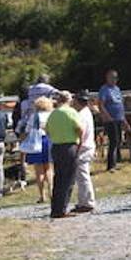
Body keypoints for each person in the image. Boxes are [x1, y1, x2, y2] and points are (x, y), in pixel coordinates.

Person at [45, 91, 83, 219]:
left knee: (58, 178)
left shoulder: (53, 113)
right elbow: (79, 128)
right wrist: (79, 141)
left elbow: (47, 130)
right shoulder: (71, 112)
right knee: (68, 179)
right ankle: (62, 209)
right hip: (69, 146)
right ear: (69, 100)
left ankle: (55, 208)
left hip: (56, 147)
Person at [22, 96, 54, 204]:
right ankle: (51, 192)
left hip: (37, 142)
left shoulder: (34, 116)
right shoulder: (51, 115)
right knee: (49, 168)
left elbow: (27, 130)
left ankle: (42, 195)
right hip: (48, 140)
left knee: (39, 170)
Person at [72, 92, 98, 214]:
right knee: (81, 175)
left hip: (83, 147)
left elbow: (80, 132)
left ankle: (87, 202)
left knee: (82, 175)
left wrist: (77, 146)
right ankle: (83, 201)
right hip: (87, 145)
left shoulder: (81, 115)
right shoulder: (86, 112)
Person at [99, 70, 128, 172]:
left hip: (119, 118)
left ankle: (116, 162)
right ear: (107, 78)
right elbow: (101, 105)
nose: (114, 80)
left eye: (115, 78)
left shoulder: (117, 89)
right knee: (113, 141)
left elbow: (121, 105)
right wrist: (107, 117)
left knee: (119, 140)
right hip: (111, 119)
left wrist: (124, 120)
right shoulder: (104, 89)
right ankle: (110, 165)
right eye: (112, 77)